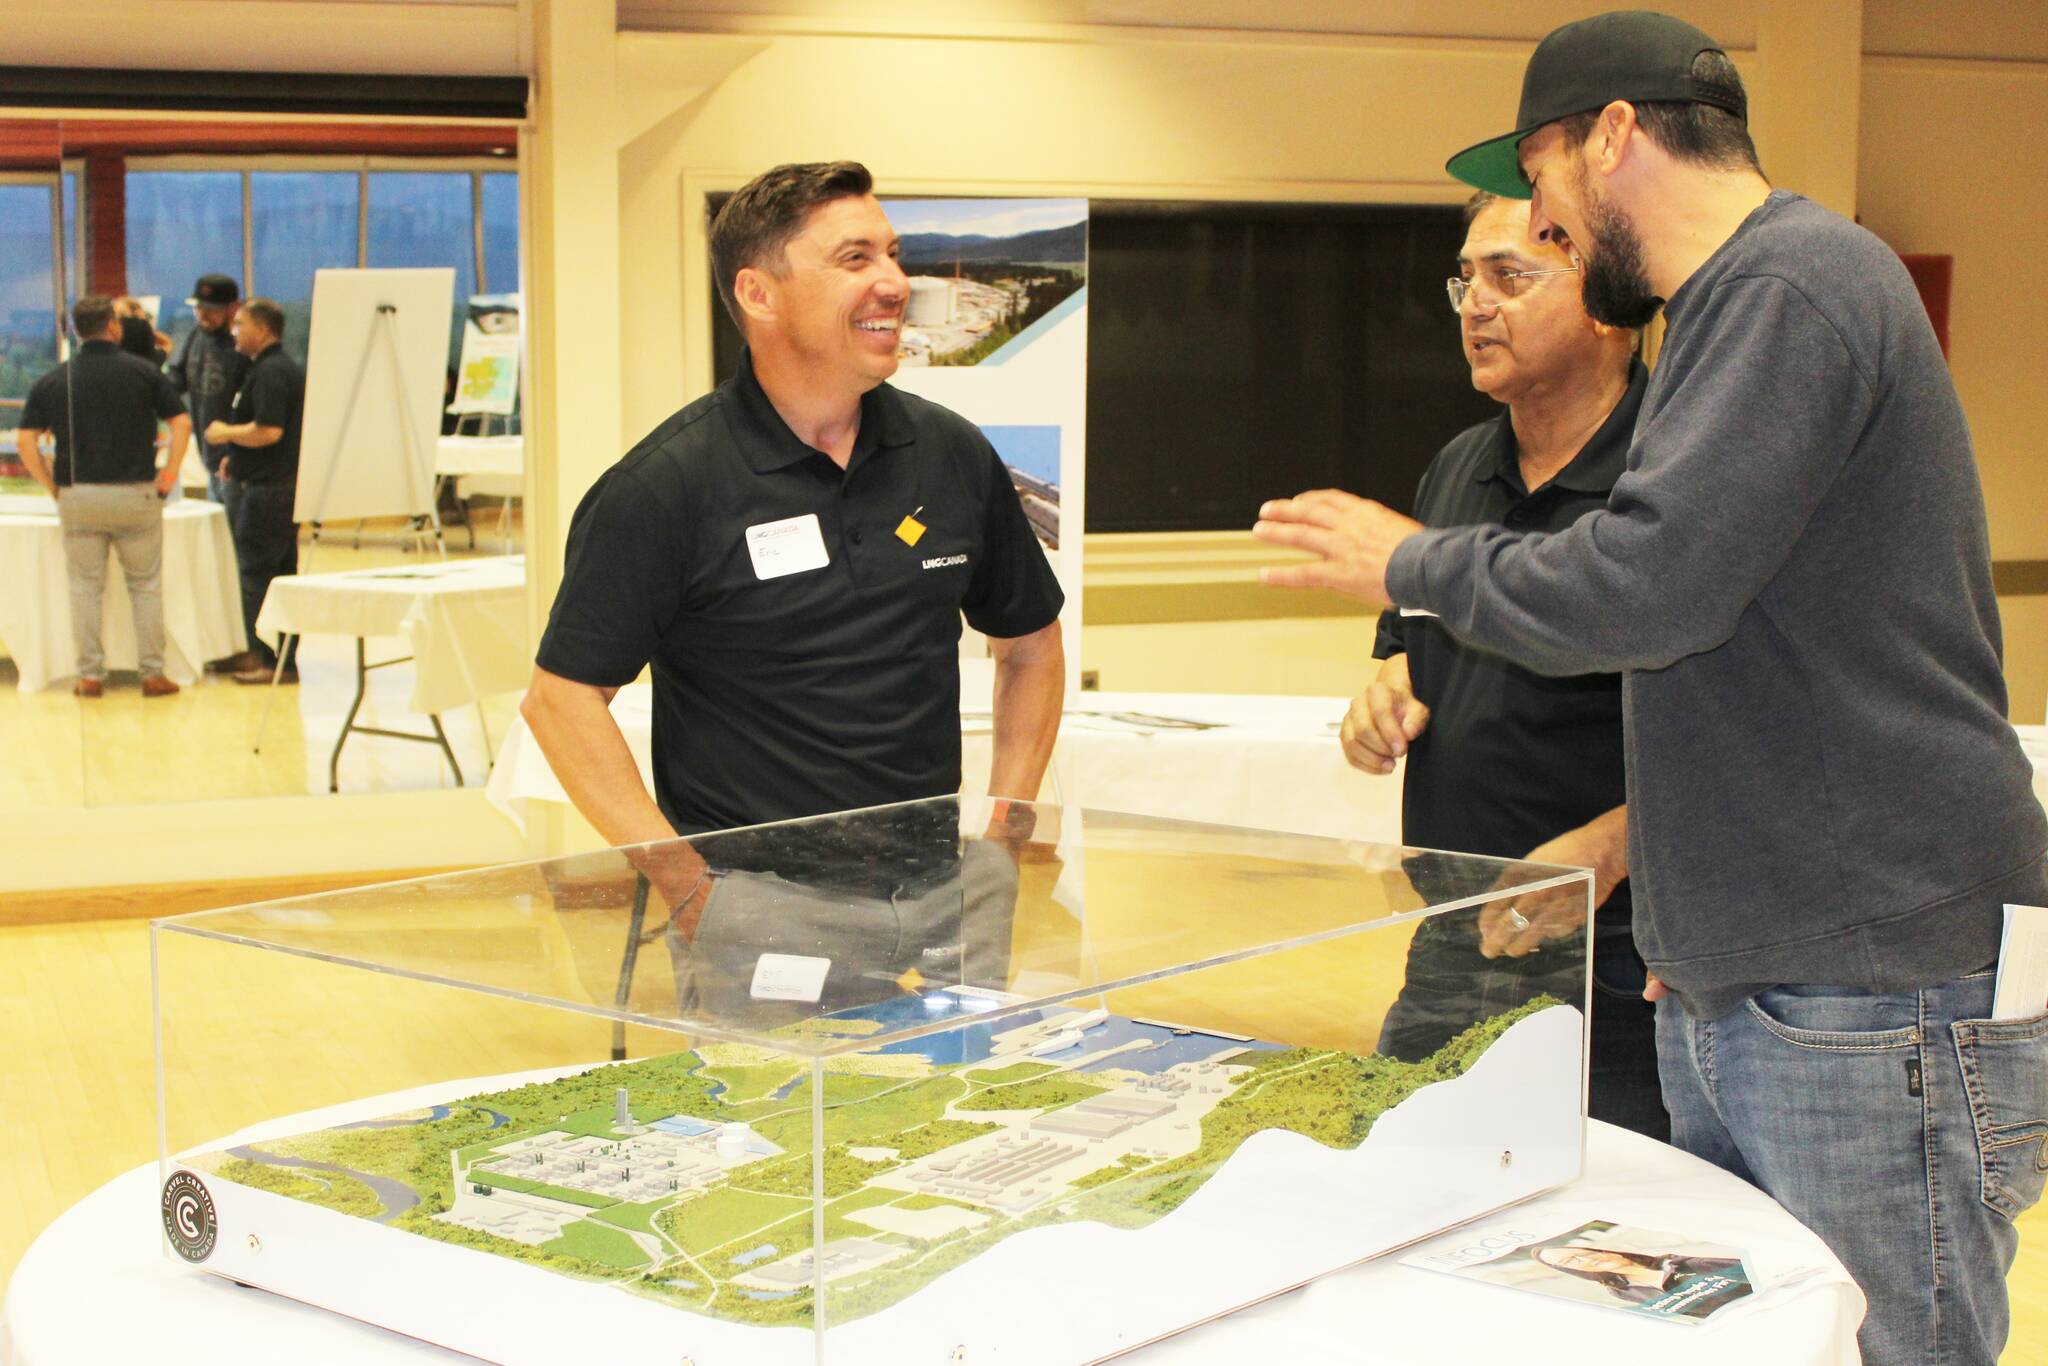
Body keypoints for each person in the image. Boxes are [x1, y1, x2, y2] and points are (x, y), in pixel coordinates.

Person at [1252, 13, 2047, 1365]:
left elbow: (1649, 588)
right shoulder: (1735, 310)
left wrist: (1409, 559)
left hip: (1858, 979)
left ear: (1612, 139)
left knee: (1887, 1341)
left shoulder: (1792, 284)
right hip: (1751, 974)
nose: (1548, 228)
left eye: (1547, 193)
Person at [522, 160, 1066, 912]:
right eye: (855, 258)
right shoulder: (665, 486)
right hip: (757, 908)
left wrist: (1004, 838)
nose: (896, 283)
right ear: (758, 293)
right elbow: (560, 701)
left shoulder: (951, 454)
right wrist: (686, 887)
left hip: (944, 896)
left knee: (954, 1040)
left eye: (893, 254)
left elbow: (1033, 646)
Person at [1355, 190, 1664, 1140]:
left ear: (1608, 301)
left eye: (1510, 276)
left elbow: (1761, 732)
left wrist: (1610, 850)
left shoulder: (1674, 477)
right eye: (1466, 280)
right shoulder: (1456, 467)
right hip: (1454, 938)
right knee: (1396, 1194)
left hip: (1623, 965)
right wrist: (1387, 694)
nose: (1476, 305)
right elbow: (1407, 645)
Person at [13, 296, 191, 698]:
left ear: (75, 331)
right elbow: (181, 423)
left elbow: (24, 439)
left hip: (79, 494)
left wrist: (51, 485)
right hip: (136, 493)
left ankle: (90, 675)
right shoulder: (144, 372)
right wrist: (169, 473)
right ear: (114, 326)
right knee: (145, 585)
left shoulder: (55, 379)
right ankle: (152, 674)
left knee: (84, 588)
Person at [206, 298, 305, 686]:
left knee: (258, 575)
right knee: (278, 576)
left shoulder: (272, 373)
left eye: (240, 324)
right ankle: (274, 655)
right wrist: (236, 457)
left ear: (262, 329)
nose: (234, 331)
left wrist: (224, 434)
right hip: (270, 484)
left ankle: (268, 658)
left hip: (269, 493)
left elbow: (269, 431)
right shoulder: (265, 369)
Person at [164, 274, 247, 507]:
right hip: (209, 455)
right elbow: (176, 378)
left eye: (212, 309)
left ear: (232, 308)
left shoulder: (243, 344)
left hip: (236, 459)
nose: (203, 315)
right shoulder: (196, 335)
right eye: (198, 308)